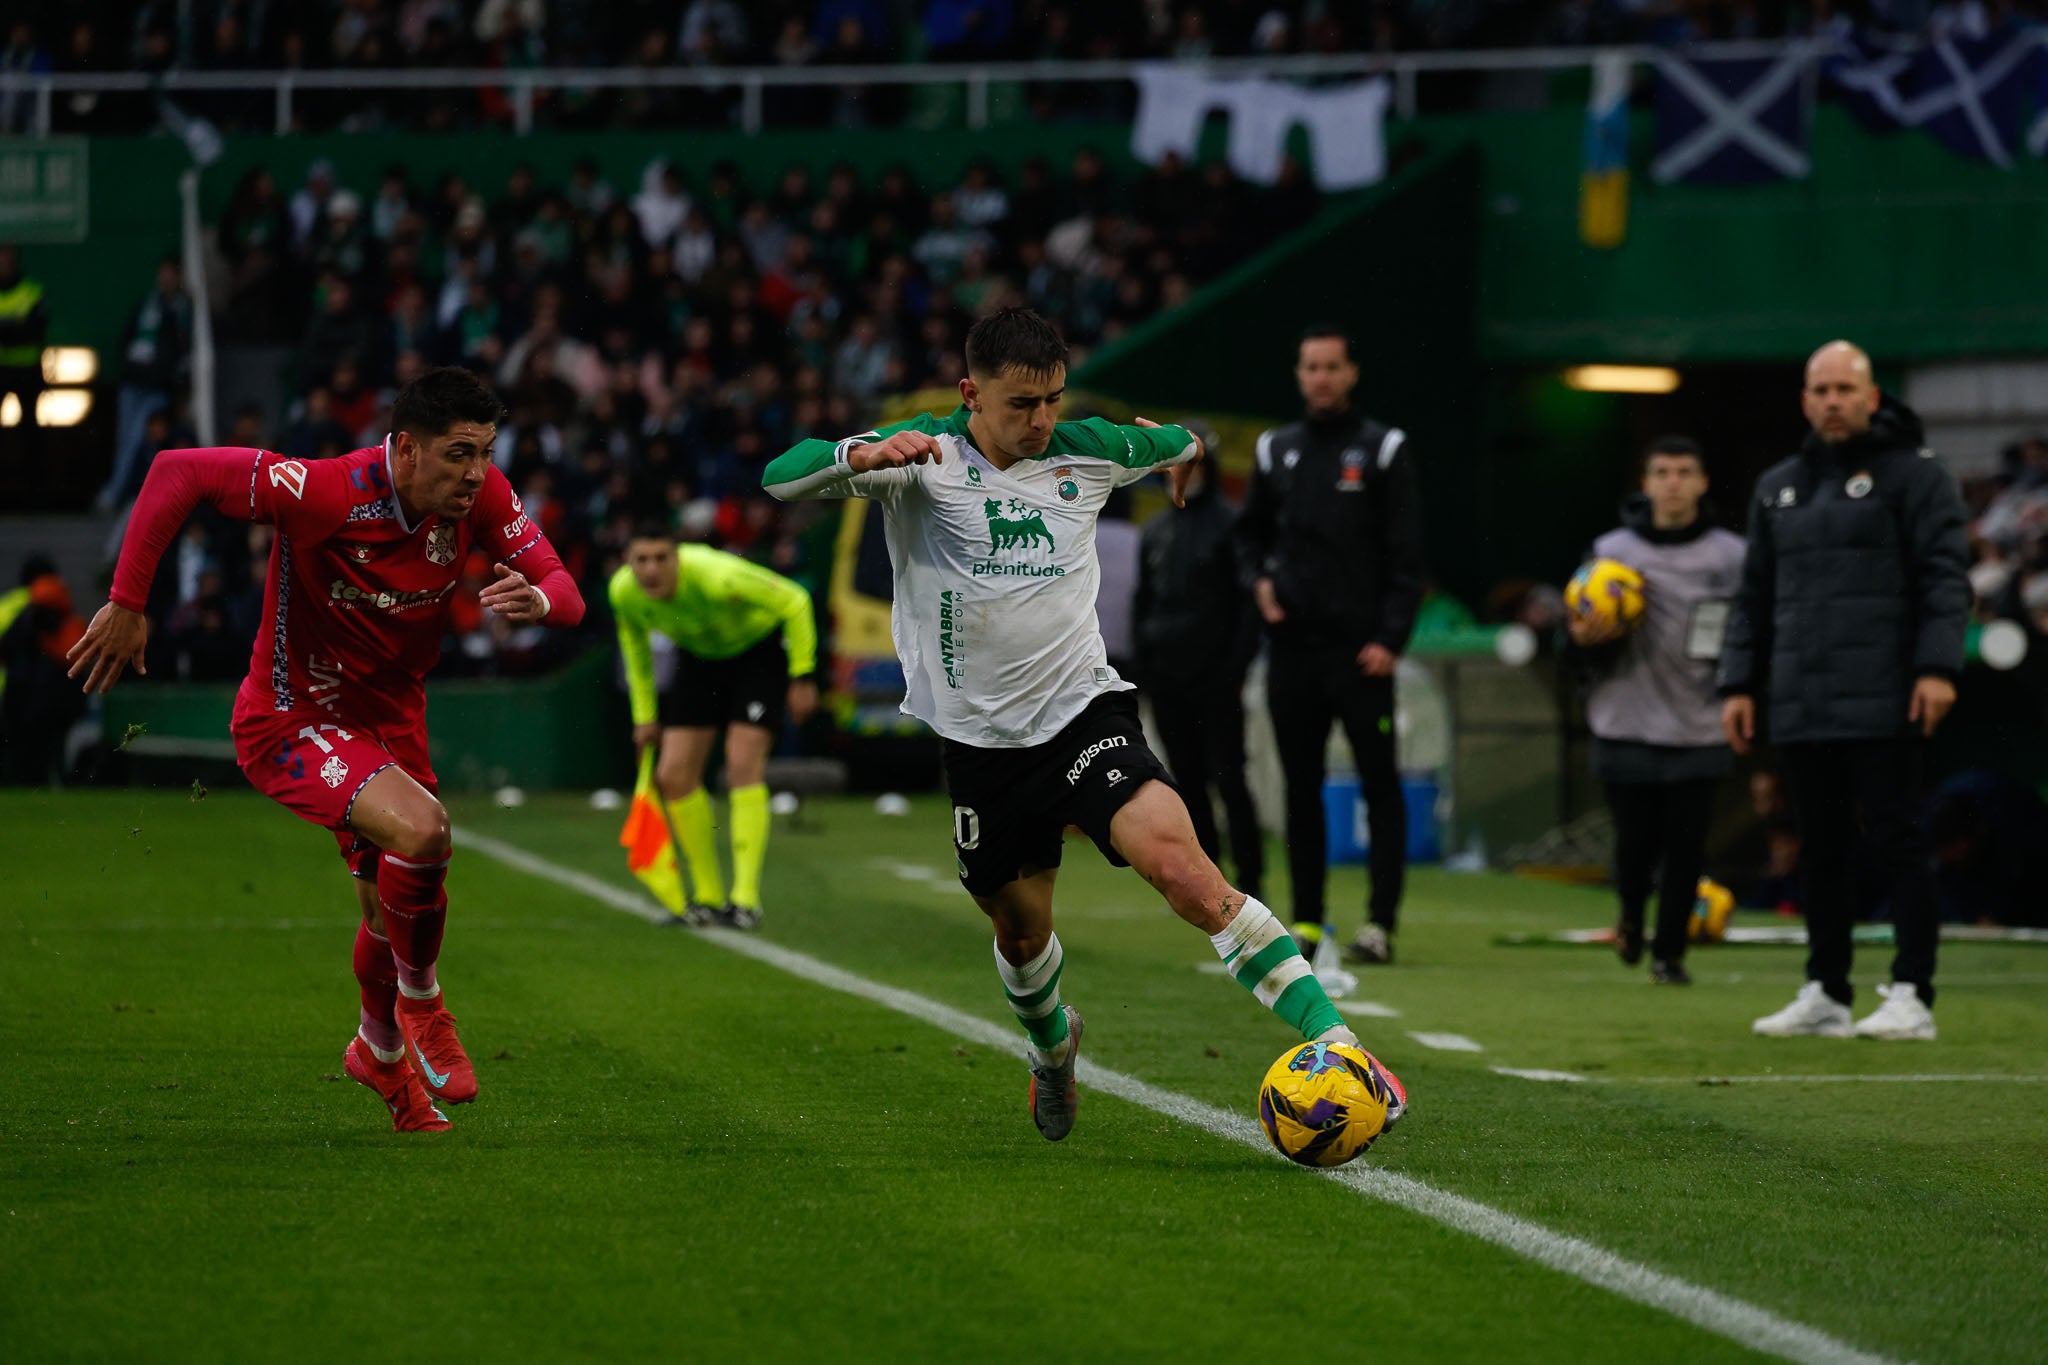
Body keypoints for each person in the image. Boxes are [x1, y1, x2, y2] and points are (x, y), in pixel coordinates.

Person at [761, 307, 1405, 1144]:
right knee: (1022, 933)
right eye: (1022, 404)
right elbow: (782, 475)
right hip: (982, 747)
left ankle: (1345, 1048)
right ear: (970, 393)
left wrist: (1185, 451)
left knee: (1188, 874)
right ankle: (1054, 1048)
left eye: (1053, 401)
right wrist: (858, 453)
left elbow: (1174, 439)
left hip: (1083, 714)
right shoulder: (920, 453)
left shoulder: (1084, 449)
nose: (1041, 421)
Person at [67, 366, 586, 1131]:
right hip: (293, 716)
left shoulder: (481, 498)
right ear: (406, 450)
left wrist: (541, 598)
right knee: (425, 831)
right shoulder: (327, 493)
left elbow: (566, 592)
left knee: (386, 909)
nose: (476, 472)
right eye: (458, 454)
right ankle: (420, 1002)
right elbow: (176, 471)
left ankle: (377, 1051)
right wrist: (128, 600)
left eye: (483, 452)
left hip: (392, 722)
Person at [1721, 340, 1969, 1042]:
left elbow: (1945, 577)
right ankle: (1827, 990)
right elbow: (1754, 595)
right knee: (1819, 846)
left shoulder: (1918, 477)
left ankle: (1913, 993)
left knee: (1898, 839)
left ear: (1872, 396)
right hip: (1802, 696)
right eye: (1820, 389)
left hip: (1888, 692)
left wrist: (1937, 667)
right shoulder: (1777, 485)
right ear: (1804, 401)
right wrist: (1739, 681)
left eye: (1845, 388)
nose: (1832, 400)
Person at [1237, 325, 1426, 966]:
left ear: (1351, 374)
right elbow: (1248, 539)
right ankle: (1310, 920)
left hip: (1362, 654)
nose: (1321, 376)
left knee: (1380, 785)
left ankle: (1380, 923)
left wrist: (1390, 639)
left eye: (1332, 366)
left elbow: (1408, 556)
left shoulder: (1384, 448)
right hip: (1294, 652)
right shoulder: (1275, 450)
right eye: (1310, 366)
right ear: (1299, 375)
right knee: (1300, 785)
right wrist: (1259, 583)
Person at [1567, 436, 1746, 986]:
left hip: (1699, 719)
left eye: (1684, 471)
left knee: (1687, 847)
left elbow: (1753, 628)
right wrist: (1583, 637)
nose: (1673, 482)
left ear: (1702, 482)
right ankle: (1628, 915)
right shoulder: (1611, 551)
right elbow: (1573, 636)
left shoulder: (1731, 556)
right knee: (1634, 844)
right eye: (1662, 471)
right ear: (1645, 484)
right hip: (1626, 716)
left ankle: (1669, 955)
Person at [610, 526, 820, 929]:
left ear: (678, 558)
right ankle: (706, 898)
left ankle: (745, 900)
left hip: (756, 655)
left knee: (741, 765)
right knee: (672, 776)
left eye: (661, 558)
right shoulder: (624, 593)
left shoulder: (717, 575)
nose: (651, 570)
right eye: (641, 560)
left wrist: (803, 676)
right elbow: (634, 650)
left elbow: (795, 600)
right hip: (699, 658)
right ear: (627, 563)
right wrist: (645, 717)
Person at [1132, 418, 1264, 901]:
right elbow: (1144, 601)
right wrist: (1146, 666)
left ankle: (1251, 882)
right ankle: (1211, 885)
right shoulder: (1157, 529)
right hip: (1168, 680)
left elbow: (1248, 605)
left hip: (1217, 680)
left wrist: (1235, 668)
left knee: (1230, 781)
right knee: (1186, 786)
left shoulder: (1233, 524)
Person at [98, 257, 195, 512]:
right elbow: (127, 339)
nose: (166, 279)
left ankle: (123, 494)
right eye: (163, 273)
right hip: (133, 383)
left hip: (157, 389)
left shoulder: (182, 310)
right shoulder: (146, 304)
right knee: (125, 439)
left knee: (141, 438)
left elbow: (180, 351)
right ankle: (122, 492)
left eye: (171, 274)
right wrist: (129, 368)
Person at [0, 245, 48, 456]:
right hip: (1, 369)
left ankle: (33, 484)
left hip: (27, 370)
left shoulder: (32, 291)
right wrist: (16, 327)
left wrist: (7, 331)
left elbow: (36, 329)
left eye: (8, 260)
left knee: (30, 430)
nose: (4, 265)